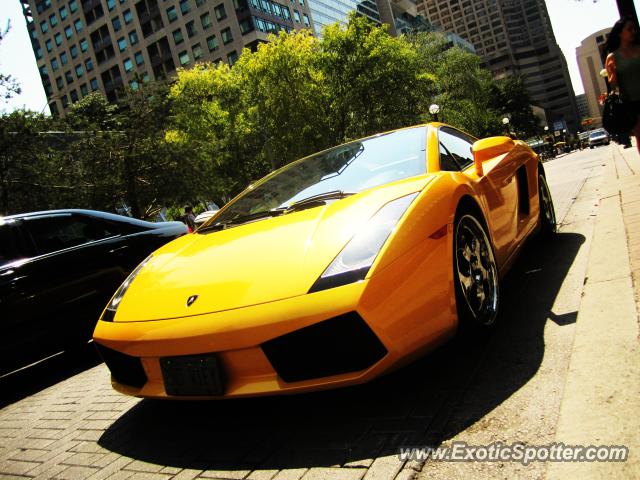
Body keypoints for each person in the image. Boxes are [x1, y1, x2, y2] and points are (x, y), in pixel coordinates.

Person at [605, 17, 640, 154]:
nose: (633, 32)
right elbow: (614, 86)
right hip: (632, 103)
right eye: (629, 29)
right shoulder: (613, 57)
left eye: (634, 28)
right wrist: (612, 74)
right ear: (620, 33)